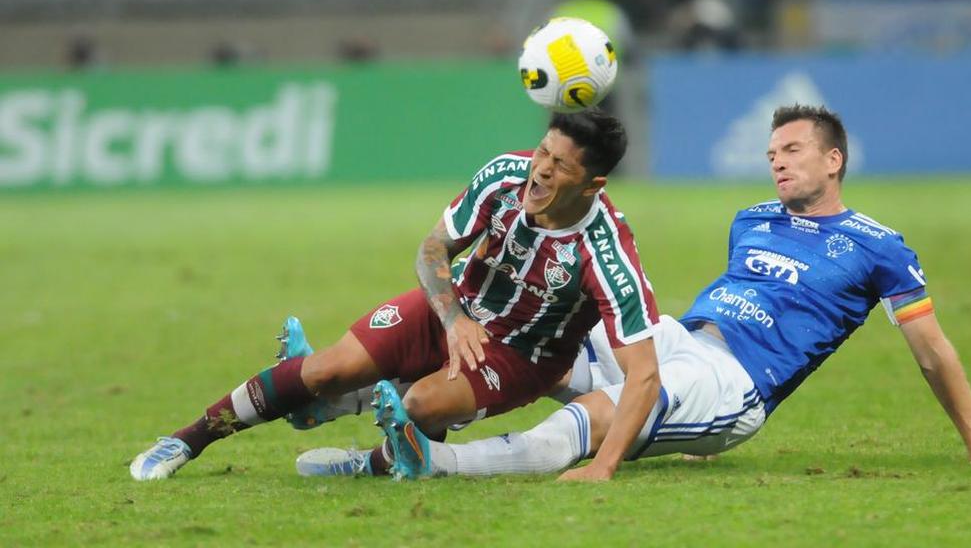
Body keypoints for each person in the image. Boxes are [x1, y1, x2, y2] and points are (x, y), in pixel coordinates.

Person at [297, 104, 971, 481]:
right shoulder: (752, 220)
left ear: (834, 160)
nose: (776, 163)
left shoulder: (879, 246)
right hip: (680, 337)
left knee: (599, 413)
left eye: (792, 151)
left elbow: (929, 351)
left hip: (731, 383)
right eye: (770, 153)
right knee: (538, 330)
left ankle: (421, 464)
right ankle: (344, 397)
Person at [129, 111, 662, 481]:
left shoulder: (606, 253)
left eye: (560, 165)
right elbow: (434, 247)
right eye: (543, 151)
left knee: (422, 405)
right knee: (326, 368)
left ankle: (368, 460)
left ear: (593, 185)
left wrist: (602, 466)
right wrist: (453, 318)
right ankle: (188, 439)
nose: (541, 169)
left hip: (519, 357)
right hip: (451, 312)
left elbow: (644, 374)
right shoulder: (505, 176)